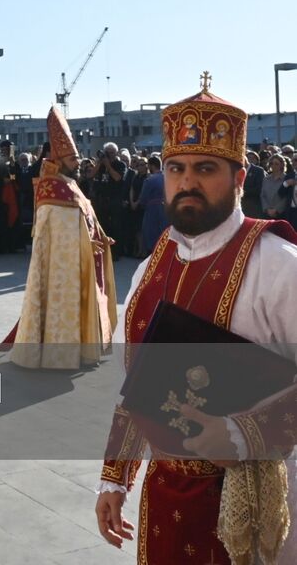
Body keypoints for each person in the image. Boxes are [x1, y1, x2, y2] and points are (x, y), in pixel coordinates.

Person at [96, 77, 297, 564]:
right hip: (166, 496)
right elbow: (137, 386)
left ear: (239, 178)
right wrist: (114, 477)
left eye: (205, 168)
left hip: (258, 497)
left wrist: (245, 432)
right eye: (176, 168)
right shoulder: (151, 267)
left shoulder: (280, 264)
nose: (187, 182)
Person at [0, 108, 116, 369]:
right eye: (73, 158)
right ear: (59, 159)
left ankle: (85, 350)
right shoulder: (52, 186)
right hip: (61, 266)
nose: (78, 162)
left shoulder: (71, 184)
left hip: (84, 258)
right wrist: (85, 243)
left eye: (78, 157)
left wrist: (101, 237)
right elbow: (59, 232)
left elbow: (86, 217)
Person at [88, 141, 128, 256]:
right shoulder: (101, 164)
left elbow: (117, 178)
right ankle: (102, 251)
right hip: (101, 200)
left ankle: (115, 253)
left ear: (116, 153)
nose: (109, 155)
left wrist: (108, 165)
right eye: (107, 153)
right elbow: (90, 175)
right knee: (102, 226)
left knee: (115, 226)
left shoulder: (120, 165)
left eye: (111, 153)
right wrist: (100, 163)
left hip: (114, 199)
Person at [137, 154, 168, 254]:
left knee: (152, 237)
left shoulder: (149, 180)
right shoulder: (168, 178)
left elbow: (143, 199)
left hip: (152, 212)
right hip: (167, 211)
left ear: (151, 166)